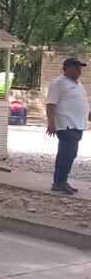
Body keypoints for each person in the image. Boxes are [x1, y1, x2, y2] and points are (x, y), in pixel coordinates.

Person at [46, 58, 91, 195]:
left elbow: (81, 103)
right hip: (66, 124)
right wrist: (51, 123)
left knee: (70, 153)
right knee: (67, 153)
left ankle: (62, 181)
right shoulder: (58, 83)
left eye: (80, 68)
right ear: (67, 68)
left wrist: (88, 115)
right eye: (76, 67)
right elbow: (50, 104)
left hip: (77, 124)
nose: (79, 70)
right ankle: (59, 182)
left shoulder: (78, 84)